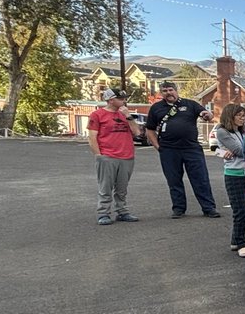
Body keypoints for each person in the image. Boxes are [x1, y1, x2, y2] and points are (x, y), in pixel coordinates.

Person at [146, 81, 220, 219]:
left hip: (191, 148)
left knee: (200, 179)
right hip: (169, 150)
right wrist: (158, 147)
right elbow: (149, 129)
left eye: (170, 90)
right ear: (161, 93)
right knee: (174, 180)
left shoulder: (189, 104)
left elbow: (206, 114)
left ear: (176, 90)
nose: (168, 93)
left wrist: (207, 114)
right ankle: (178, 209)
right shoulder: (156, 108)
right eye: (165, 91)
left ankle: (209, 208)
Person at [87, 87, 141, 225]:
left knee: (122, 188)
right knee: (105, 187)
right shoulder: (97, 115)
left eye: (124, 98)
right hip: (108, 155)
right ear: (111, 100)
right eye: (120, 98)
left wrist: (129, 117)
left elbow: (137, 133)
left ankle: (122, 211)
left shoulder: (125, 114)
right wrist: (98, 155)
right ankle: (103, 213)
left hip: (126, 155)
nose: (124, 101)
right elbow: (92, 136)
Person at [214, 103, 245, 257]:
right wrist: (224, 151)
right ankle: (240, 244)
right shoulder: (222, 131)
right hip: (233, 174)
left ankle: (236, 240)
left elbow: (241, 149)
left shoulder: (241, 131)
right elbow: (240, 150)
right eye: (240, 116)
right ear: (231, 116)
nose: (243, 119)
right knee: (239, 210)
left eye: (244, 115)